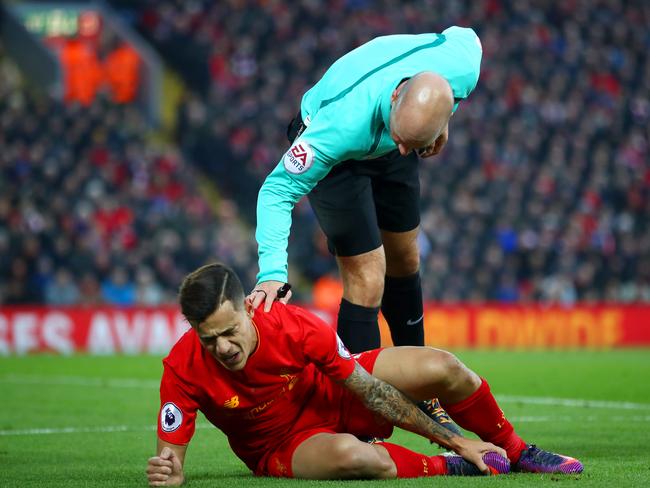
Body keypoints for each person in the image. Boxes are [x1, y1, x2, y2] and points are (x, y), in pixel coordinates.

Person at [145, 263, 583, 485]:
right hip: (285, 446)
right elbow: (170, 462)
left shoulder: (295, 325)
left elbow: (370, 391)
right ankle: (450, 467)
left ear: (249, 309)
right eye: (208, 340)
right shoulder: (182, 368)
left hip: (341, 396)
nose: (222, 348)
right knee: (357, 458)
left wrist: (458, 435)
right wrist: (171, 474)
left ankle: (516, 450)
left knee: (444, 366)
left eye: (228, 332)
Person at [248, 26, 482, 355]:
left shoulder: (463, 64)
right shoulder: (338, 128)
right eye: (404, 141)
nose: (406, 152)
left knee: (405, 257)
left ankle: (417, 383)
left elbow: (466, 37)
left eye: (412, 145)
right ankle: (361, 399)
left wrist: (442, 118)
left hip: (388, 136)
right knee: (368, 277)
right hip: (340, 159)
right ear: (394, 98)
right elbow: (276, 190)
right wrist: (272, 272)